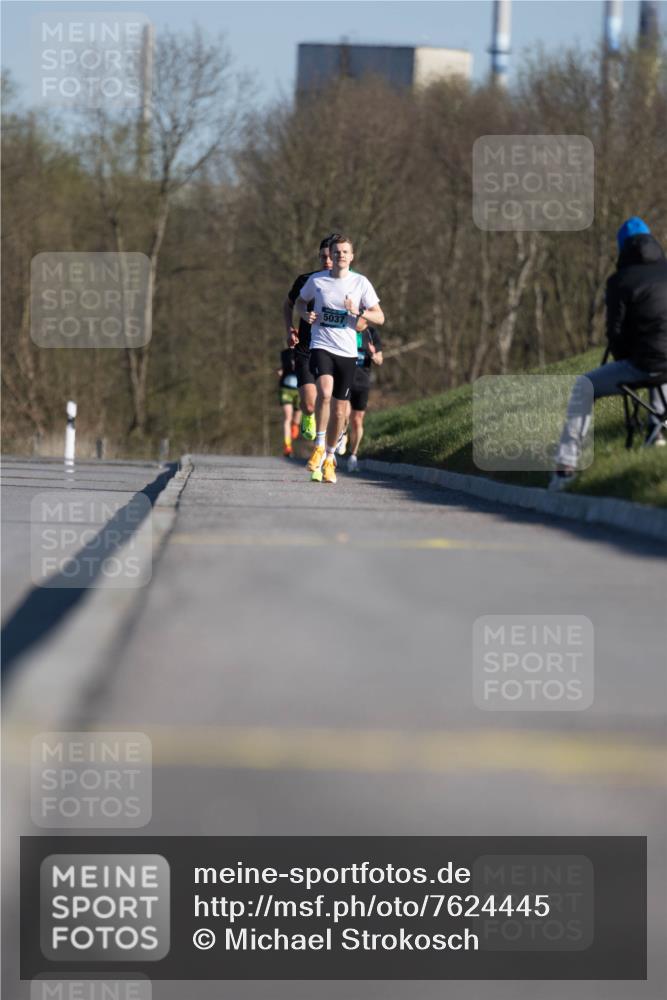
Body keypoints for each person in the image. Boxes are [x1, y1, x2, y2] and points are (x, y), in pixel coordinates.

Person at [550, 217, 667, 490]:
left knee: (584, 386)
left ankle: (565, 468)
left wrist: (624, 353)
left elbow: (614, 334)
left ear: (621, 248)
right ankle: (656, 429)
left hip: (644, 364)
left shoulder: (619, 281)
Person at [295, 236, 385, 484]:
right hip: (322, 345)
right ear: (330, 255)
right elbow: (300, 302)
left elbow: (380, 317)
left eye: (345, 252)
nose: (341, 255)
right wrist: (306, 314)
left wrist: (359, 311)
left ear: (352, 256)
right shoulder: (317, 281)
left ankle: (331, 458)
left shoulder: (360, 283)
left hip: (347, 352)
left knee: (340, 410)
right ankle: (319, 446)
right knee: (324, 392)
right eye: (337, 252)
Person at [283, 237, 334, 442]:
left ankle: (330, 439)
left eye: (332, 256)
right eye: (323, 256)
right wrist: (289, 328)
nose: (327, 260)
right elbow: (288, 304)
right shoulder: (306, 280)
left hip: (332, 348)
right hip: (305, 347)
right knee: (310, 403)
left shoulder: (349, 282)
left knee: (329, 398)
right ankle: (308, 414)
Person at [343, 325, 384, 472]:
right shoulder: (346, 326)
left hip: (363, 382)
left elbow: (380, 360)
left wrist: (373, 355)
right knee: (344, 414)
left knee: (357, 419)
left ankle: (353, 455)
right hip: (345, 379)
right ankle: (342, 434)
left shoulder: (371, 333)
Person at [277, 347, 301, 457]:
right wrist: (280, 371)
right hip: (286, 388)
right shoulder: (285, 353)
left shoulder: (305, 350)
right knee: (287, 417)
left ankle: (295, 425)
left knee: (296, 418)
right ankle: (287, 446)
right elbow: (283, 366)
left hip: (299, 389)